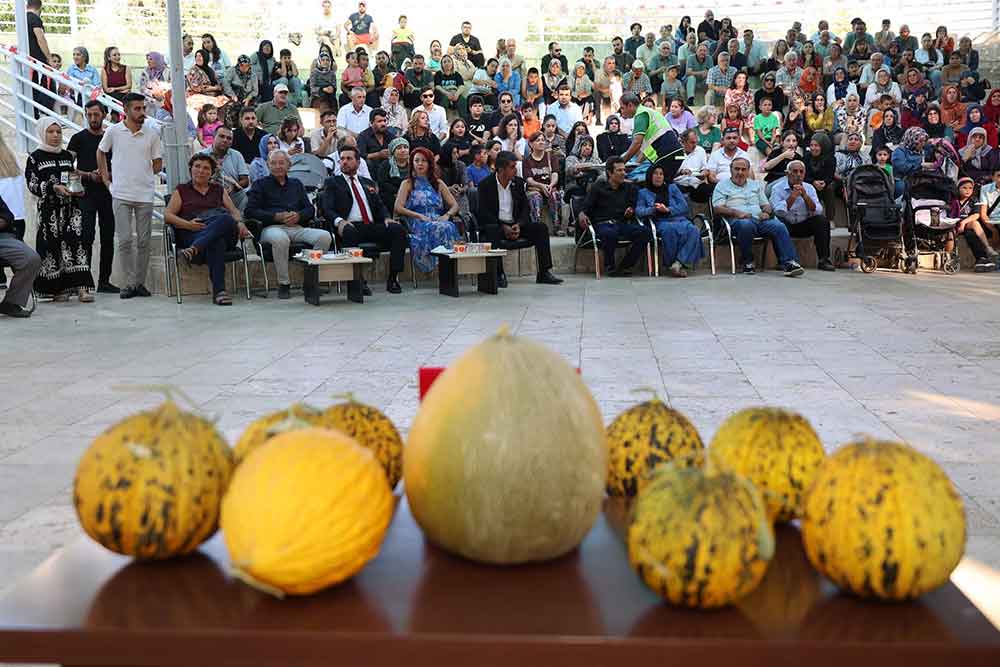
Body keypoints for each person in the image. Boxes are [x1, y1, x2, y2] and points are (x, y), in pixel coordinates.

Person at [97, 92, 162, 300]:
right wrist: (107, 180)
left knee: (144, 241)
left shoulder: (152, 134)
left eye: (143, 108)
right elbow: (101, 152)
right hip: (121, 194)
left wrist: (144, 171)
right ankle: (128, 284)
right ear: (125, 110)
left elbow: (158, 163)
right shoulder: (114, 131)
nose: (142, 112)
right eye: (137, 108)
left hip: (144, 194)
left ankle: (138, 284)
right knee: (125, 240)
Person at [319, 144, 407, 294]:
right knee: (349, 232)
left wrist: (386, 217)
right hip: (350, 225)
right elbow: (327, 208)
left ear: (358, 163)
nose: (344, 162)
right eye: (342, 159)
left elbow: (379, 205)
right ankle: (358, 280)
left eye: (349, 158)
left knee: (398, 230)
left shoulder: (367, 183)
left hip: (371, 225)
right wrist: (339, 221)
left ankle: (393, 278)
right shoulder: (333, 182)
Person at [162, 154, 249, 305]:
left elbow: (234, 211)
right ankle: (220, 292)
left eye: (206, 168)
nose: (201, 171)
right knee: (216, 242)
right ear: (191, 169)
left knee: (226, 218)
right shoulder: (182, 190)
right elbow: (168, 216)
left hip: (214, 233)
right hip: (193, 232)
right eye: (197, 166)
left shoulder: (218, 190)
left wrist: (240, 222)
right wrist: (188, 224)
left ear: (211, 173)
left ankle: (195, 249)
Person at [25, 117, 94, 302]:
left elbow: (72, 177)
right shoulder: (35, 158)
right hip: (49, 212)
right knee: (51, 247)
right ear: (42, 133)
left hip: (71, 210)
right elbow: (32, 184)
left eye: (58, 132)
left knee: (76, 245)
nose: (55, 136)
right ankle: (57, 289)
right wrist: (52, 188)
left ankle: (81, 288)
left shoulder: (66, 156)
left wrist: (77, 189)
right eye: (51, 132)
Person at [245, 149, 330, 299]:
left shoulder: (296, 184)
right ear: (268, 165)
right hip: (270, 228)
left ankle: (310, 282)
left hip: (296, 227)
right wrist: (276, 216)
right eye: (274, 163)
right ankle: (284, 284)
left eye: (281, 163)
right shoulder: (260, 185)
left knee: (324, 237)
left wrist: (298, 216)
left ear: (289, 165)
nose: (278, 166)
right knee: (281, 239)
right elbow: (250, 212)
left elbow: (310, 209)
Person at [712, 157, 804, 276]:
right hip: (736, 220)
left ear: (748, 171)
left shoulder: (755, 185)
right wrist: (736, 213)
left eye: (743, 169)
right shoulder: (722, 185)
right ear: (731, 170)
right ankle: (748, 261)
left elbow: (766, 205)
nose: (740, 172)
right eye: (737, 169)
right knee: (746, 225)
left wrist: (767, 212)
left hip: (759, 219)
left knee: (779, 226)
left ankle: (790, 263)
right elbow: (717, 208)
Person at [68, 101, 117, 294]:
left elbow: (120, 163)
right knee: (86, 236)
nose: (93, 118)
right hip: (85, 193)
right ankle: (84, 283)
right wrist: (88, 175)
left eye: (96, 114)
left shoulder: (111, 137)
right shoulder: (78, 138)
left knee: (107, 238)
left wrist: (108, 174)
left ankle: (104, 281)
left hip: (107, 192)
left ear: (104, 115)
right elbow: (67, 165)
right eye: (89, 115)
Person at [576, 157, 650, 276]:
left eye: (624, 170)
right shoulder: (598, 187)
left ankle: (626, 265)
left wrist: (630, 210)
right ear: (610, 172)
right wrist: (581, 214)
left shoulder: (628, 188)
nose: (623, 173)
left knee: (645, 232)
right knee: (610, 233)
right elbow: (585, 206)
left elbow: (633, 205)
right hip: (602, 224)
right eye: (619, 171)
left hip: (621, 224)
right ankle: (609, 266)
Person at [393, 147, 460, 273]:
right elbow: (398, 207)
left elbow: (454, 205)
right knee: (440, 227)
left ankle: (447, 268)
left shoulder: (439, 183)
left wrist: (447, 215)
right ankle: (442, 267)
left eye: (423, 160)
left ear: (430, 163)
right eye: (416, 160)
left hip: (438, 218)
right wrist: (418, 216)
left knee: (448, 226)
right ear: (412, 163)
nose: (420, 163)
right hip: (417, 222)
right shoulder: (407, 183)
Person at [637, 163, 702, 277]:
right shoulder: (643, 192)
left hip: (679, 219)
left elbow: (684, 206)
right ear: (649, 176)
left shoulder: (672, 188)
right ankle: (674, 264)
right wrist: (653, 209)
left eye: (661, 174)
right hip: (661, 222)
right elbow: (639, 210)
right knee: (669, 231)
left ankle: (678, 263)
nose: (658, 176)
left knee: (694, 230)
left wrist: (668, 209)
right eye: (655, 174)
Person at [769, 160, 834, 270]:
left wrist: (805, 196)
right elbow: (778, 211)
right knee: (777, 223)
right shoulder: (777, 188)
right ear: (787, 174)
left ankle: (824, 260)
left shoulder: (809, 188)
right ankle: (782, 261)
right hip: (786, 224)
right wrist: (793, 197)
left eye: (801, 172)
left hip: (803, 224)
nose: (798, 175)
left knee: (822, 221)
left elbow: (818, 210)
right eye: (795, 171)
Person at [617, 92, 684, 183]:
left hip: (667, 154)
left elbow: (637, 143)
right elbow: (645, 150)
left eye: (622, 108)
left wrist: (622, 162)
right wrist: (636, 165)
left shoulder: (641, 114)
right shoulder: (647, 113)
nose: (621, 111)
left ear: (630, 105)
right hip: (673, 154)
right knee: (661, 185)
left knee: (655, 184)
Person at [948, 175, 997, 271]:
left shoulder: (973, 200)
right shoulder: (953, 200)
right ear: (958, 189)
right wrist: (958, 223)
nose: (968, 190)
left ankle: (986, 250)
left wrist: (963, 222)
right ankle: (949, 258)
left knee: (974, 226)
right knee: (950, 232)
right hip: (954, 224)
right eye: (964, 188)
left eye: (970, 188)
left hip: (966, 225)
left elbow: (976, 215)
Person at [199, 125, 249, 211]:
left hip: (233, 195)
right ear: (214, 137)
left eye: (229, 138)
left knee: (244, 197)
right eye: (221, 136)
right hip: (207, 196)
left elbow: (245, 181)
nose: (225, 140)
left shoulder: (237, 155)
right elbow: (195, 181)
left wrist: (234, 186)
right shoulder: (201, 156)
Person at [25, 0, 53, 116]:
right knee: (45, 88)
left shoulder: (23, 19)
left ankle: (35, 113)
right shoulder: (35, 19)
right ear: (39, 8)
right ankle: (44, 114)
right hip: (37, 60)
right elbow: (40, 38)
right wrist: (48, 57)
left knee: (32, 89)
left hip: (29, 59)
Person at [139, 51, 170, 115]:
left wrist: (163, 93)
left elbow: (172, 86)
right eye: (147, 59)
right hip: (149, 99)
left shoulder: (168, 72)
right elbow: (142, 88)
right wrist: (153, 94)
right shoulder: (145, 72)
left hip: (164, 97)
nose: (148, 61)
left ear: (157, 60)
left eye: (151, 59)